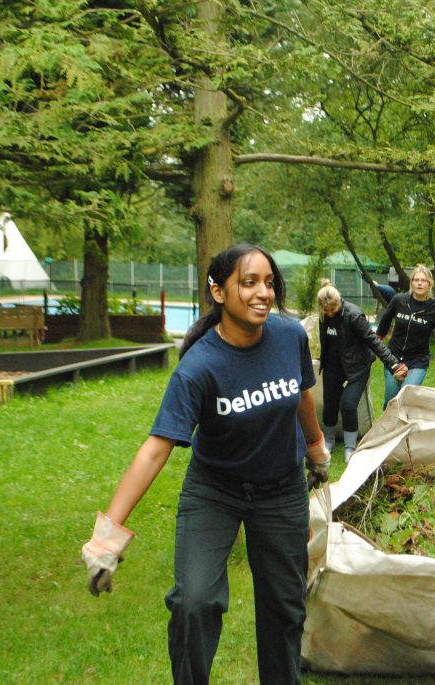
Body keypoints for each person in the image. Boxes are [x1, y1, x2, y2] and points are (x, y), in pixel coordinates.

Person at [80, 244, 331, 685]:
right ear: (218, 291)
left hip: (280, 492)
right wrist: (106, 539)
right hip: (215, 492)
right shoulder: (198, 368)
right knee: (194, 602)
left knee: (285, 607)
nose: (263, 293)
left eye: (269, 283)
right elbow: (155, 449)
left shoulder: (289, 337)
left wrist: (315, 449)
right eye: (249, 282)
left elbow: (301, 394)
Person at [317, 280, 407, 460]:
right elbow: (326, 341)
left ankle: (350, 448)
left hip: (358, 365)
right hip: (334, 364)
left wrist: (394, 365)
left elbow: (373, 341)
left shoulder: (354, 315)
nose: (330, 313)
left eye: (333, 309)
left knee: (348, 404)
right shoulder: (323, 316)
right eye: (326, 311)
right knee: (330, 404)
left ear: (339, 302)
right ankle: (328, 440)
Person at [375, 264, 435, 408]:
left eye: (423, 280)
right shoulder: (399, 300)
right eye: (416, 279)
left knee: (406, 398)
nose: (419, 283)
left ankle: (406, 429)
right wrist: (372, 350)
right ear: (411, 282)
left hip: (417, 362)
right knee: (390, 402)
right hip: (393, 359)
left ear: (429, 284)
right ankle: (388, 429)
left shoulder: (434, 308)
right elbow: (382, 328)